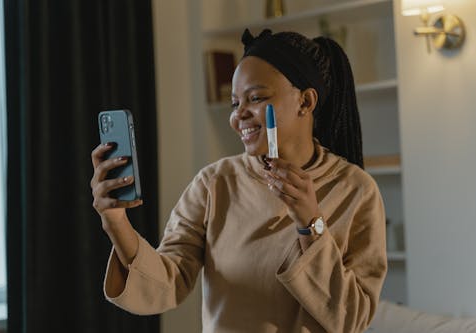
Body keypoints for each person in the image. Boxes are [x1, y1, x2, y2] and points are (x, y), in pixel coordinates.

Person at [90, 28, 387, 333]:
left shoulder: (356, 191)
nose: (238, 115)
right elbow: (167, 284)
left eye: (255, 98)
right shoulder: (214, 184)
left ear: (305, 102)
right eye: (234, 104)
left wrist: (311, 224)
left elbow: (352, 320)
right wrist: (116, 223)